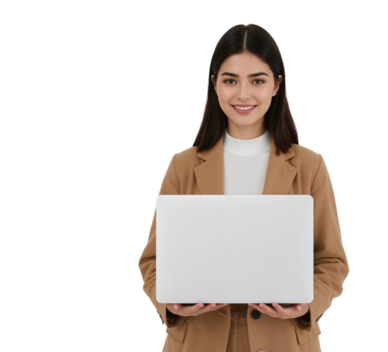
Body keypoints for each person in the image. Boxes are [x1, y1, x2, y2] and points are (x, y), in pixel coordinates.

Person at [136, 22, 351, 352]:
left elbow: (332, 261)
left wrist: (308, 303)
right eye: (230, 80)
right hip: (198, 338)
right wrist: (170, 304)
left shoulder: (311, 167)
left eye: (258, 80)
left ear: (277, 84)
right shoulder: (182, 166)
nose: (243, 94)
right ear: (214, 84)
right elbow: (151, 260)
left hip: (282, 338)